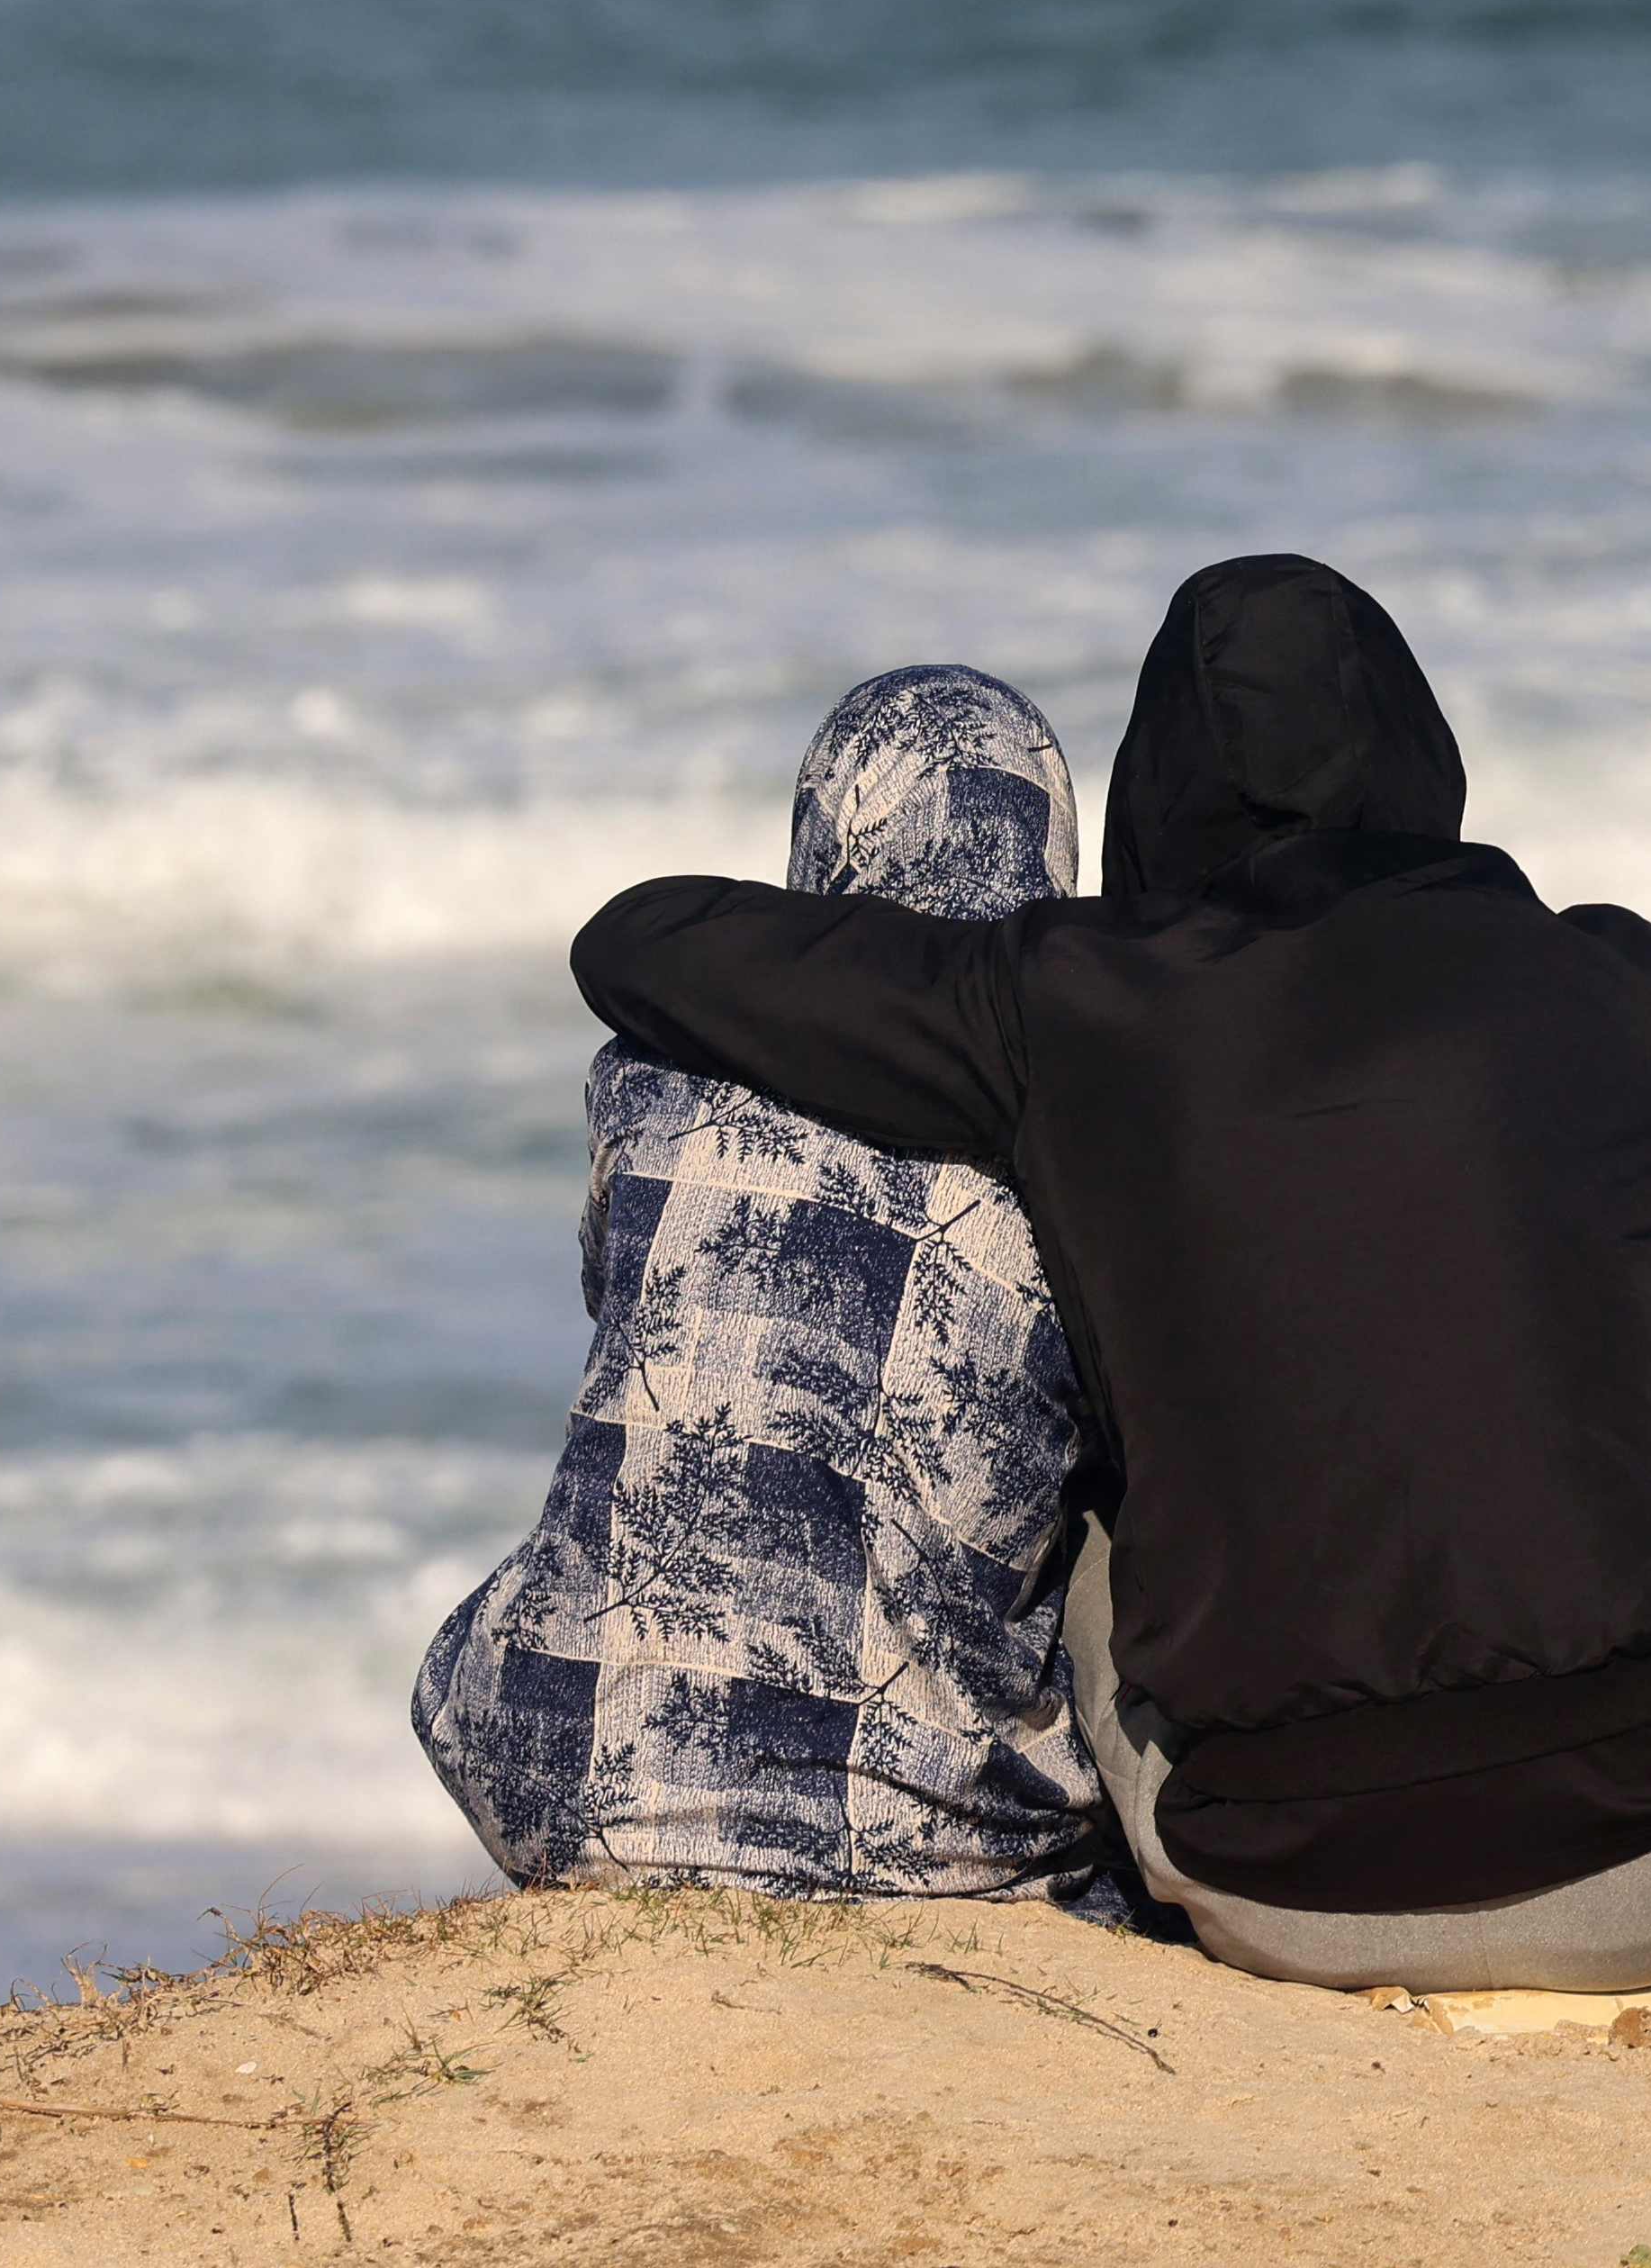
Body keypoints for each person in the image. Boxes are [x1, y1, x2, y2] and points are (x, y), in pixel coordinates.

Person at [574, 553, 1651, 2004]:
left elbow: (637, 939)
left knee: (1111, 1446)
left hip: (1270, 1894)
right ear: (1420, 760)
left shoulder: (1064, 1003)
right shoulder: (1604, 981)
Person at [417, 664, 1126, 1913]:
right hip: (907, 1839)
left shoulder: (647, 1071)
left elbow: (616, 1300)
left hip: (556, 1766)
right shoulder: (1083, 1131)